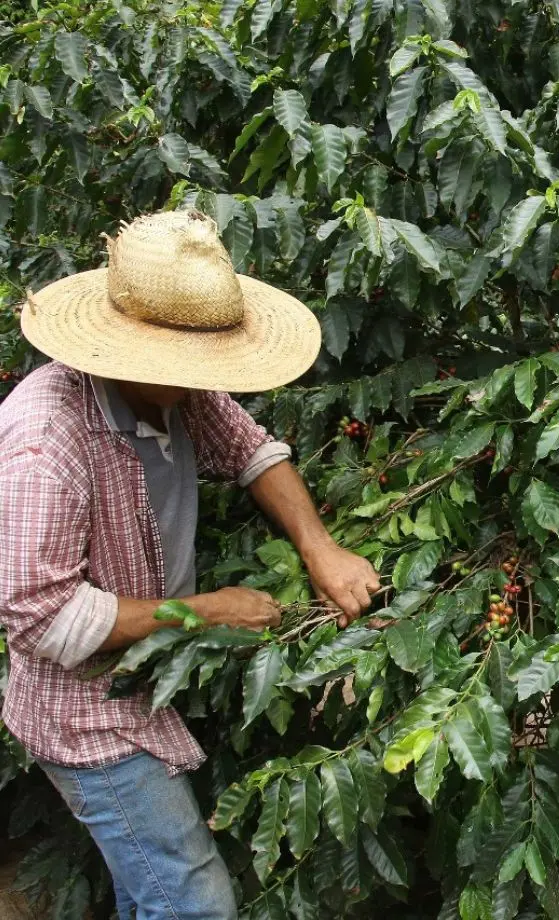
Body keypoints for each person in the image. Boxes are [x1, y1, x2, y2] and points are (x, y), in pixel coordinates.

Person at [0, 210, 381, 920]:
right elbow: (39, 615)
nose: (204, 382)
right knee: (191, 901)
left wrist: (321, 547)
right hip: (85, 713)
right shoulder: (44, 444)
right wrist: (202, 611)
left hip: (143, 684)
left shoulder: (176, 391)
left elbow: (250, 450)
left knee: (154, 891)